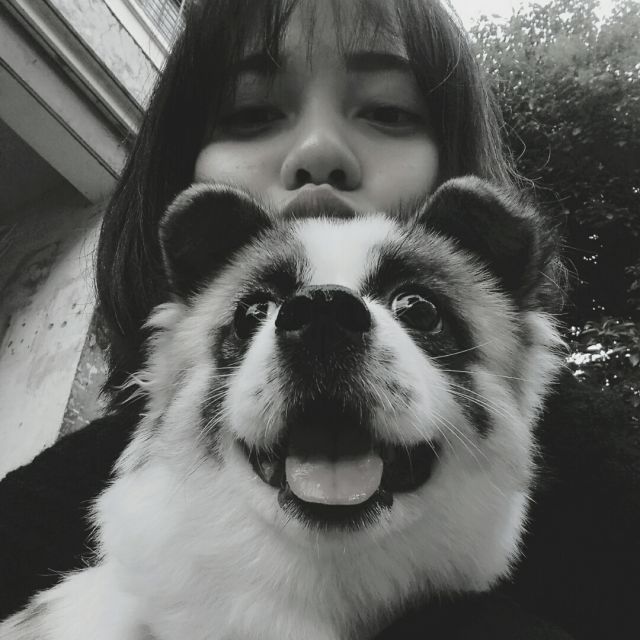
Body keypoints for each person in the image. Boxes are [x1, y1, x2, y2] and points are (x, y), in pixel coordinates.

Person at [0, 1, 637, 638]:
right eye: (250, 115)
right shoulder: (39, 518)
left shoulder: (609, 491)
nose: (318, 153)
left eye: (388, 112)